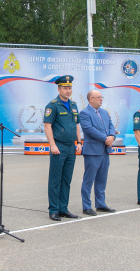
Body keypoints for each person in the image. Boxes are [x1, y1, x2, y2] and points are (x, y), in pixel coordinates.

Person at [43, 75, 83, 221]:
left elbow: (76, 125)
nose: (68, 90)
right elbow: (47, 126)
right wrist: (52, 145)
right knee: (55, 179)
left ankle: (63, 208)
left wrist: (79, 142)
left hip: (71, 147)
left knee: (66, 179)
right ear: (59, 89)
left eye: (70, 88)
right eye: (65, 88)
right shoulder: (52, 105)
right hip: (58, 147)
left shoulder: (73, 105)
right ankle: (53, 210)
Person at [79, 90, 116, 215]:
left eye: (101, 97)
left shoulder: (104, 112)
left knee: (102, 179)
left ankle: (101, 204)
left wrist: (112, 136)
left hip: (105, 150)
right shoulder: (84, 113)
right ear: (91, 99)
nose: (101, 99)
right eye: (99, 97)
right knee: (89, 179)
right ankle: (86, 206)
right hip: (92, 151)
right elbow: (89, 129)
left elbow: (111, 126)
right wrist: (105, 139)